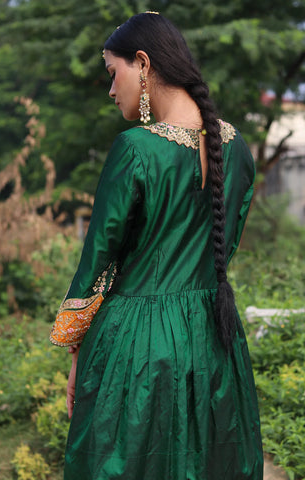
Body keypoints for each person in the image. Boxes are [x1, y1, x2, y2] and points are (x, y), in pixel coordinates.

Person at [52, 12, 263, 480]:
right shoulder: (237, 148)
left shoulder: (136, 150)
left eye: (113, 73)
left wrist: (76, 350)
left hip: (137, 346)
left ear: (143, 64)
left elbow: (98, 261)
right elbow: (224, 249)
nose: (111, 90)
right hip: (214, 340)